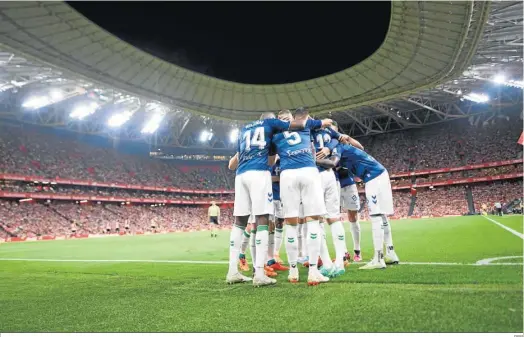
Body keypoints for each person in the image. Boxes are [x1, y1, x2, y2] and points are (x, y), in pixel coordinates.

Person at [226, 111, 331, 287]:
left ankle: (232, 271)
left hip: (241, 175)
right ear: (271, 120)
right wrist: (321, 122)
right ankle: (260, 273)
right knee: (263, 221)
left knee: (240, 222)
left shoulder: (244, 129)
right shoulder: (272, 127)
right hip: (261, 174)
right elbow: (273, 159)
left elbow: (232, 164)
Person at [272, 108, 332, 286]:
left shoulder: (275, 135)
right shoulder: (304, 125)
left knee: (290, 223)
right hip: (308, 170)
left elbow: (270, 161)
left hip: (287, 174)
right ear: (292, 119)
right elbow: (326, 122)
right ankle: (313, 272)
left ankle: (293, 271)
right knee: (313, 220)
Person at [337, 141, 400, 269]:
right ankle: (391, 253)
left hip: (373, 178)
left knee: (376, 216)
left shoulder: (338, 148)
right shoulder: (347, 147)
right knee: (382, 216)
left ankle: (378, 258)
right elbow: (361, 147)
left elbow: (332, 163)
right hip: (380, 173)